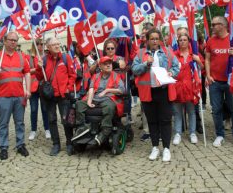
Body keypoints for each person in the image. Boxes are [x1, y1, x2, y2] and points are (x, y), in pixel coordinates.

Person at [132, 28, 180, 162]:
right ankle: (154, 147)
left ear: (160, 40)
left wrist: (171, 73)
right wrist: (146, 64)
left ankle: (166, 148)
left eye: (156, 38)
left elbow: (177, 67)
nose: (154, 41)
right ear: (147, 40)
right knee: (152, 121)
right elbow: (135, 69)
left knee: (165, 120)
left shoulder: (168, 52)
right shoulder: (141, 53)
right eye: (151, 39)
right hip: (148, 91)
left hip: (164, 91)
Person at [0, 31, 31, 160]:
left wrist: (28, 89)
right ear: (4, 41)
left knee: (20, 122)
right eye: (11, 40)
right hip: (3, 96)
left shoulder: (22, 56)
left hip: (19, 95)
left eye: (15, 40)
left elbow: (27, 73)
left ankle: (20, 144)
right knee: (3, 123)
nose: (13, 42)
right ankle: (3, 147)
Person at [205, 16, 233, 147]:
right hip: (215, 81)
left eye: (214, 24)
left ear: (222, 25)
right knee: (216, 110)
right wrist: (208, 75)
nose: (212, 27)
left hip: (230, 81)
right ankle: (219, 135)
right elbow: (207, 59)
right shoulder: (210, 40)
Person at [36, 37, 76, 156]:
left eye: (58, 44)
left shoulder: (65, 57)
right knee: (52, 120)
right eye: (54, 44)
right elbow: (39, 77)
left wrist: (68, 87)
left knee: (66, 120)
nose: (57, 46)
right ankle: (56, 144)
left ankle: (69, 143)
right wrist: (39, 67)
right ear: (48, 47)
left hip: (63, 94)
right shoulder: (43, 60)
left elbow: (72, 74)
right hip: (50, 96)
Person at [73, 56, 126, 144]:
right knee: (79, 104)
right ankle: (81, 127)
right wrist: (89, 101)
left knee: (109, 107)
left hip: (108, 98)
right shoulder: (96, 76)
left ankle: (105, 131)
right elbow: (91, 88)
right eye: (105, 64)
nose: (108, 65)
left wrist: (107, 90)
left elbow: (122, 90)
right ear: (100, 66)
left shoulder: (115, 76)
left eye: (109, 63)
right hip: (95, 98)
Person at [172, 32, 203, 145]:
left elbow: (202, 67)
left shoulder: (193, 55)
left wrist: (198, 60)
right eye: (180, 40)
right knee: (177, 112)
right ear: (178, 42)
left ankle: (192, 133)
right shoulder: (174, 55)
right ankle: (177, 133)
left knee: (191, 111)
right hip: (177, 87)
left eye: (185, 40)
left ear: (188, 41)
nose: (183, 42)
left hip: (191, 87)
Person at [27, 39, 50, 141]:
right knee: (33, 109)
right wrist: (37, 68)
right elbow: (27, 71)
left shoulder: (46, 57)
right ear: (34, 45)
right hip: (33, 87)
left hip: (43, 86)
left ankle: (47, 129)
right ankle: (33, 130)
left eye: (42, 44)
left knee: (45, 109)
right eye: (38, 44)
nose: (40, 46)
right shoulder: (30, 58)